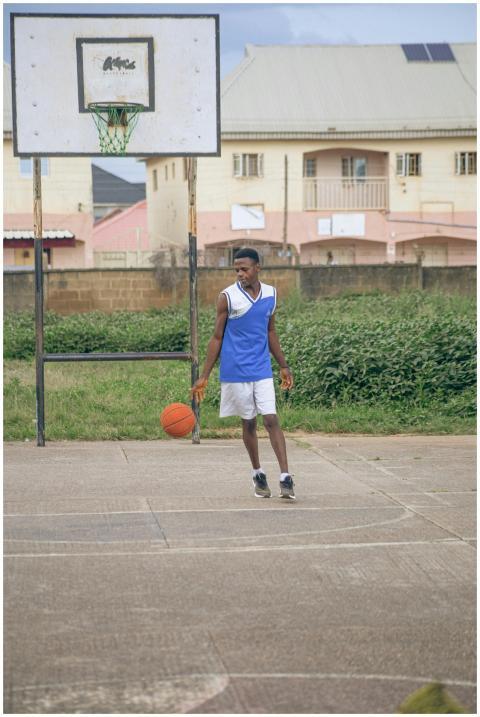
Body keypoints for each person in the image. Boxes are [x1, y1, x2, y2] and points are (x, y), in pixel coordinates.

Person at [191, 248, 296, 499]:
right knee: (249, 422)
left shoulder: (271, 294)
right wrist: (204, 375)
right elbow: (216, 338)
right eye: (236, 269)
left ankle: (285, 477)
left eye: (244, 269)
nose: (240, 273)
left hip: (261, 369)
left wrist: (283, 365)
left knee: (271, 419)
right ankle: (258, 473)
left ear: (257, 267)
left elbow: (271, 332)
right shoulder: (227, 297)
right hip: (235, 370)